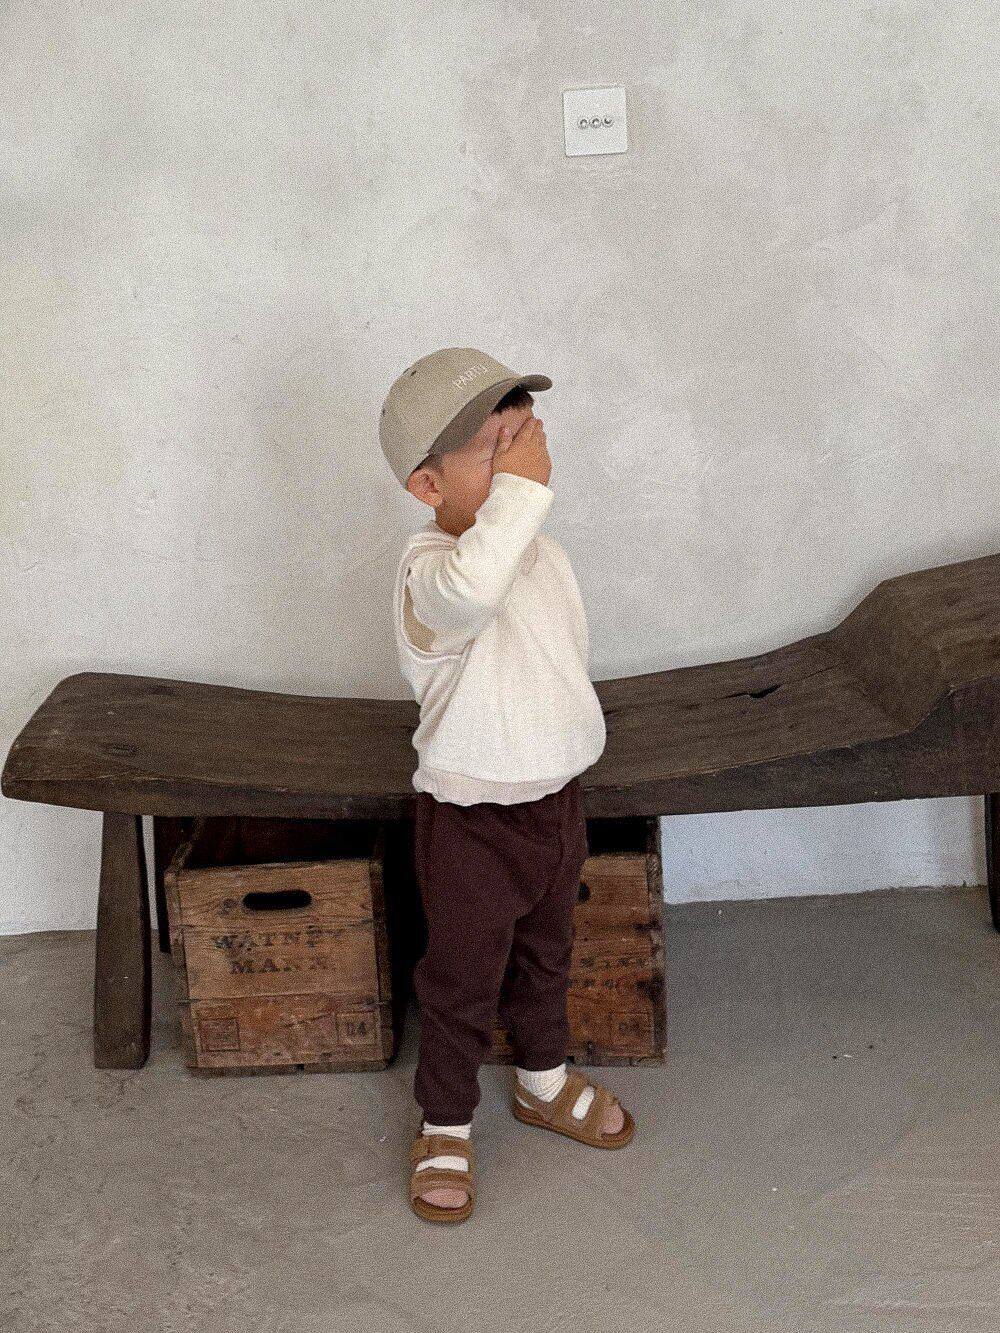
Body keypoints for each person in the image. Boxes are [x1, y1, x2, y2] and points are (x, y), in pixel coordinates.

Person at [379, 347, 635, 1225]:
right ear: (427, 485)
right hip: (472, 823)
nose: (527, 459)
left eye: (528, 435)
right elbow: (471, 592)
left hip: (556, 806)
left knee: (546, 956)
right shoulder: (428, 575)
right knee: (460, 981)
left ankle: (542, 1078)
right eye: (497, 448)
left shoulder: (543, 555)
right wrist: (524, 494)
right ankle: (445, 1120)